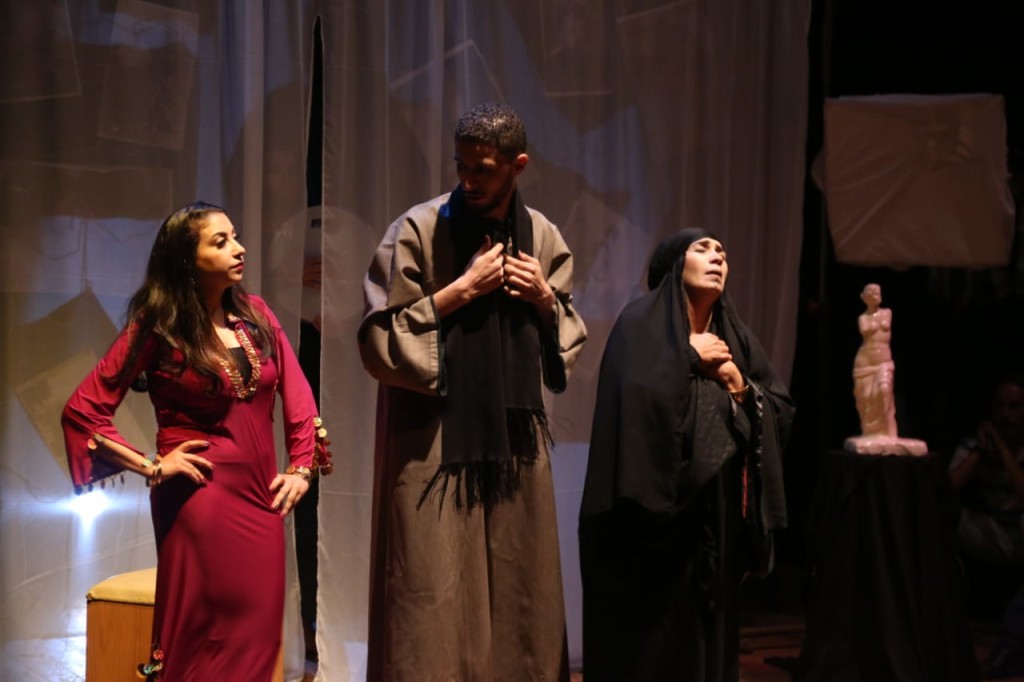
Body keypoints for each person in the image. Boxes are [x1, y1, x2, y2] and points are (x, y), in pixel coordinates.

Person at [358, 102, 587, 681]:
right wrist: (460, 290)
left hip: (515, 440)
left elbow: (566, 332)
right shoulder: (418, 229)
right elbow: (379, 339)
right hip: (433, 439)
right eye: (461, 165)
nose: (468, 180)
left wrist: (543, 298)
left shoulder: (543, 236)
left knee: (521, 581)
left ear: (517, 165)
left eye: (482, 169)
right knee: (430, 584)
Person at [61, 201, 331, 681]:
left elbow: (298, 394)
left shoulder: (256, 315)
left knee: (258, 634)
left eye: (236, 236)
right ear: (187, 258)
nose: (239, 249)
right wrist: (151, 465)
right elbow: (83, 411)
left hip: (261, 500)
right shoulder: (158, 325)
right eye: (221, 242)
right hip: (197, 500)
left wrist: (301, 467)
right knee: (202, 637)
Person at [579, 229, 794, 681]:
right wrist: (687, 356)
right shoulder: (638, 325)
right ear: (676, 263)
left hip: (715, 516)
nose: (717, 257)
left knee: (705, 639)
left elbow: (779, 409)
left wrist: (736, 382)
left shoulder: (736, 337)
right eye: (703, 249)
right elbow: (632, 399)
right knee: (652, 644)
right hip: (647, 517)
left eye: (723, 252)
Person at [949, 375, 1024, 678]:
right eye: (1000, 406)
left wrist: (1004, 451)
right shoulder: (975, 442)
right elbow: (945, 491)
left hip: (1019, 533)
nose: (1005, 414)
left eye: (1014, 407)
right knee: (941, 520)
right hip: (989, 530)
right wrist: (980, 452)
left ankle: (1012, 642)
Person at [853, 283, 897, 438]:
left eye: (878, 292)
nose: (877, 295)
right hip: (865, 362)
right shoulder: (863, 318)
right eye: (873, 293)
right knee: (866, 397)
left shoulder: (887, 313)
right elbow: (865, 329)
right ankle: (872, 433)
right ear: (866, 297)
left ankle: (889, 432)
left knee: (884, 391)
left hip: (884, 362)